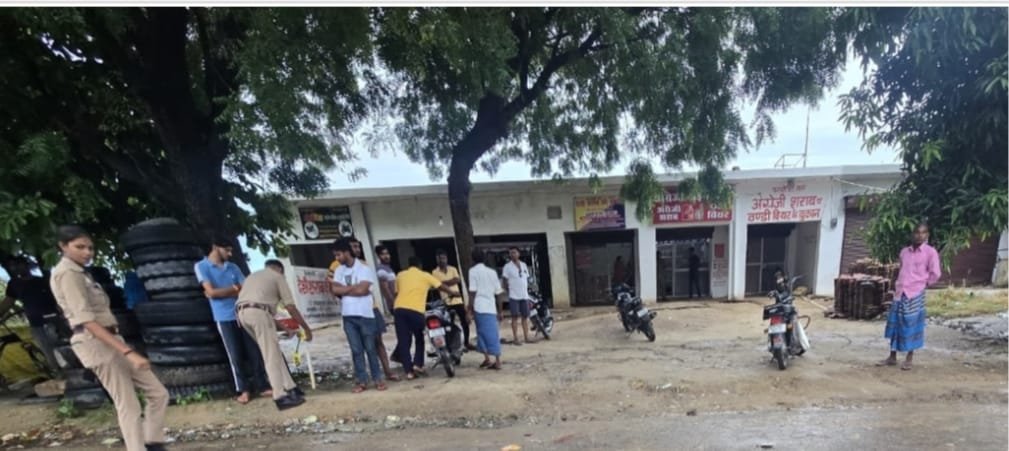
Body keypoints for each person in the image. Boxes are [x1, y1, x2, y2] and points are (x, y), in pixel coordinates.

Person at [50, 226, 169, 451]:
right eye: (79, 247)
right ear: (63, 246)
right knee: (128, 405)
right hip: (95, 342)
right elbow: (87, 321)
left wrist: (123, 347)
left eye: (90, 248)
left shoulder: (82, 273)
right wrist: (128, 352)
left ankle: (152, 442)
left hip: (112, 339)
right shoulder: (67, 274)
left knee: (158, 393)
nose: (87, 252)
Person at [194, 236, 269, 405]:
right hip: (223, 316)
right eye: (226, 250)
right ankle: (243, 389)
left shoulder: (233, 267)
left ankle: (262, 385)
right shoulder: (202, 266)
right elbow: (211, 292)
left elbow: (246, 288)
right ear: (215, 247)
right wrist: (235, 288)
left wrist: (223, 292)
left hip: (243, 313)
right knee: (234, 354)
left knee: (254, 351)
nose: (229, 253)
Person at [236, 260, 311, 410]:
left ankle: (291, 387)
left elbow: (259, 309)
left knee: (273, 351)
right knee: (271, 355)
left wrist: (286, 329)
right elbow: (290, 307)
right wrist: (306, 328)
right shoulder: (277, 276)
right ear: (280, 270)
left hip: (241, 315)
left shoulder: (253, 277)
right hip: (258, 314)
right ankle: (280, 397)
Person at [878, 223, 941, 371]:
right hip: (900, 292)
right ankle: (892, 356)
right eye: (917, 232)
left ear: (927, 235)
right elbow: (901, 269)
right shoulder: (904, 252)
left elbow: (935, 273)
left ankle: (909, 358)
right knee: (895, 324)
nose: (919, 235)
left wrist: (923, 284)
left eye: (923, 233)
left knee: (912, 325)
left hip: (915, 293)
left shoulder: (930, 253)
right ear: (912, 234)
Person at [331, 238, 385, 393]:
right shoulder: (339, 270)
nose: (337, 258)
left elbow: (363, 290)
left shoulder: (364, 268)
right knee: (356, 350)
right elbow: (335, 290)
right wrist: (354, 287)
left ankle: (378, 379)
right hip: (348, 316)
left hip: (365, 315)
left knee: (370, 348)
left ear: (346, 252)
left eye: (339, 255)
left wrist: (345, 289)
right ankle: (362, 381)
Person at [392, 256, 457, 380]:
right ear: (420, 265)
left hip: (399, 309)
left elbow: (396, 293)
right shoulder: (425, 275)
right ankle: (418, 364)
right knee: (419, 337)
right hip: (416, 310)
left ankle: (409, 372)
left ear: (409, 265)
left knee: (403, 341)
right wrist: (453, 293)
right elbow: (440, 286)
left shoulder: (400, 275)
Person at [1, 256, 62, 375]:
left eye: (19, 264)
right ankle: (59, 375)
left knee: (62, 348)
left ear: (26, 265)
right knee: (48, 352)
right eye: (13, 266)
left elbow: (58, 299)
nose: (16, 268)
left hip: (54, 321)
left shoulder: (42, 281)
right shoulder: (14, 284)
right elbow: (8, 302)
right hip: (36, 324)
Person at [467, 249, 504, 370]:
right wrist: (500, 310)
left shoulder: (472, 271)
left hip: (479, 306)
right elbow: (498, 293)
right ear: (484, 259)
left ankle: (495, 361)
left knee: (483, 333)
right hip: (491, 306)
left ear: (473, 259)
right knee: (491, 333)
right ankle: (490, 359)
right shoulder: (492, 272)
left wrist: (469, 310)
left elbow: (472, 292)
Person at [431, 249, 474, 350]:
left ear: (446, 258)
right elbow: (437, 285)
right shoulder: (434, 272)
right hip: (446, 302)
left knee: (464, 322)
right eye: (440, 259)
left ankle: (466, 342)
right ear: (436, 259)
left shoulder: (453, 269)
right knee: (449, 325)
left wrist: (443, 283)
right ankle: (451, 345)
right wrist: (449, 282)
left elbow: (457, 280)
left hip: (458, 300)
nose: (442, 260)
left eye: (443, 258)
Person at [502, 247, 538, 345]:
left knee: (525, 317)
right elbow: (504, 281)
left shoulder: (523, 265)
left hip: (524, 295)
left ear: (519, 254)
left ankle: (526, 337)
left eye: (514, 252)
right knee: (514, 317)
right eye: (511, 253)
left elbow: (526, 278)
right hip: (514, 295)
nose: (512, 254)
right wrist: (508, 290)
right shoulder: (507, 267)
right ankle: (515, 338)